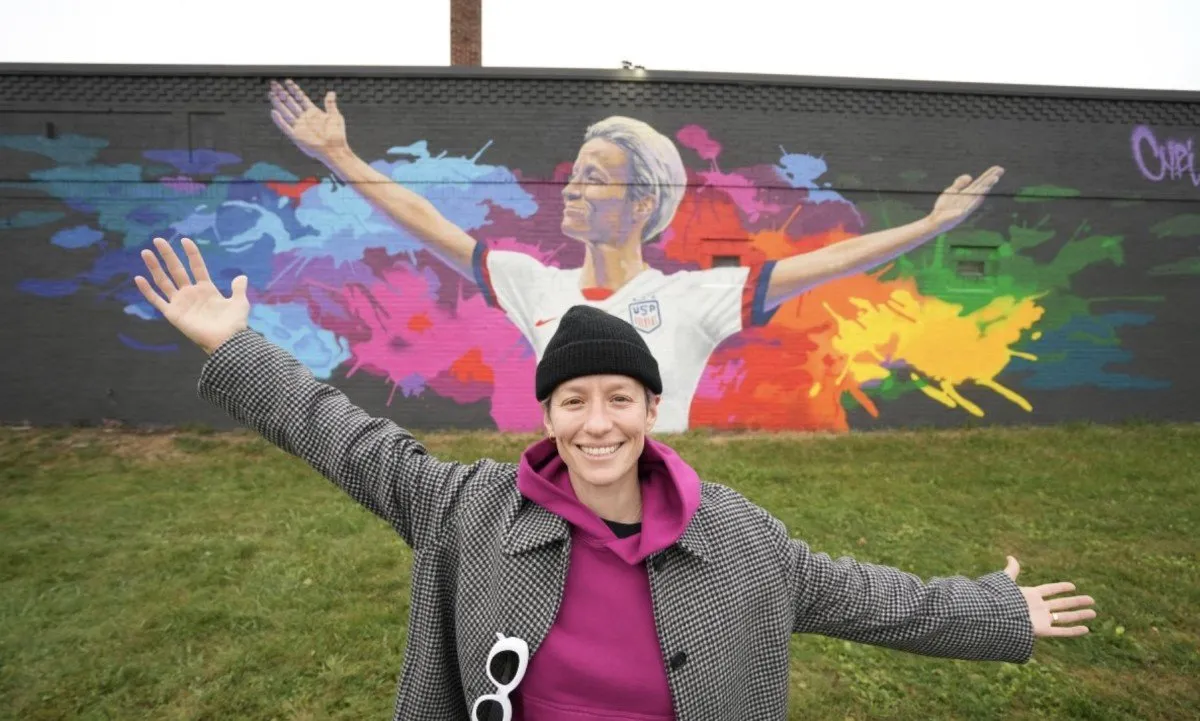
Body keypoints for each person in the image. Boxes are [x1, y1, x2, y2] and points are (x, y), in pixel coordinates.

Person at [134, 237, 1096, 721]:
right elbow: (341, 436)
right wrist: (234, 345)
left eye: (621, 400)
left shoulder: (740, 540)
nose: (598, 423)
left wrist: (995, 612)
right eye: (575, 400)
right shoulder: (467, 509)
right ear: (548, 413)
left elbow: (866, 595)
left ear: (651, 409)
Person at [267, 79, 1006, 433]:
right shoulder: (532, 285)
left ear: (642, 204)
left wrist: (929, 227)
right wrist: (340, 155)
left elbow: (833, 261)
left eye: (596, 177)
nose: (573, 188)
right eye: (575, 173)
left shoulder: (695, 299)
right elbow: (425, 219)